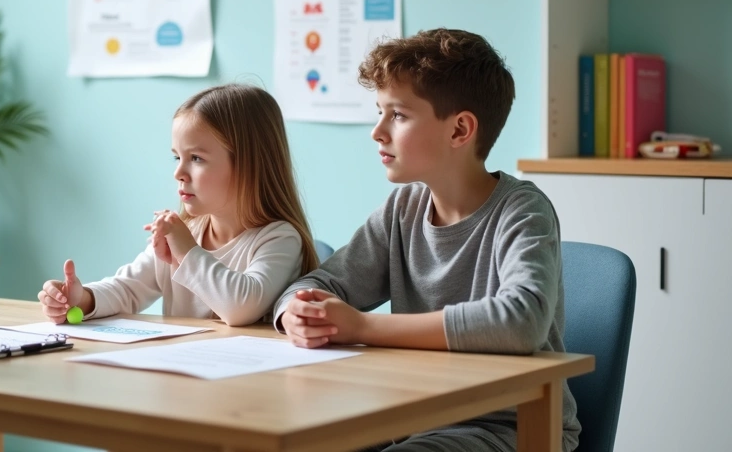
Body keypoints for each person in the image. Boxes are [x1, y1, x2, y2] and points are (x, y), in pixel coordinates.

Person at [275, 28, 579, 451]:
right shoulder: (403, 210)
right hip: (420, 419)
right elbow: (322, 284)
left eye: (397, 115)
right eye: (379, 112)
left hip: (512, 428)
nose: (377, 131)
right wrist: (296, 310)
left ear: (459, 130)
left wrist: (362, 325)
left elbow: (521, 321)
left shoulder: (522, 210)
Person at [39, 83, 317, 327]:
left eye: (196, 158)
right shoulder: (183, 233)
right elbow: (128, 289)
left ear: (248, 165)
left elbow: (240, 307)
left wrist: (187, 250)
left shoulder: (279, 239)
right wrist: (82, 298)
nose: (179, 173)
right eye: (177, 158)